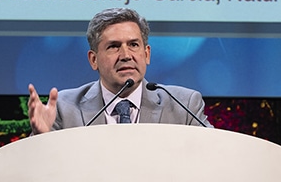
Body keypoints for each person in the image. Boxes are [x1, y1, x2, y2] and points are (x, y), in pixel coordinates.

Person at [28, 8, 212, 134]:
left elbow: (216, 153)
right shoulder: (65, 108)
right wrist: (41, 139)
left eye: (133, 45)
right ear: (94, 60)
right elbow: (42, 173)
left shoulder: (183, 106)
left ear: (146, 54)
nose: (126, 55)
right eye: (113, 47)